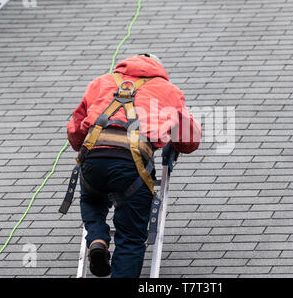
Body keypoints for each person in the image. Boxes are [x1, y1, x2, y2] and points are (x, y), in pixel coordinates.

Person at [66, 54, 202, 278]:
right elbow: (188, 140)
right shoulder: (168, 90)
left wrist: (81, 142)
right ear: (157, 68)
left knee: (91, 199)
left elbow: (76, 128)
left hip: (93, 157)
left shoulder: (100, 82)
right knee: (130, 237)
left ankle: (98, 238)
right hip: (132, 164)